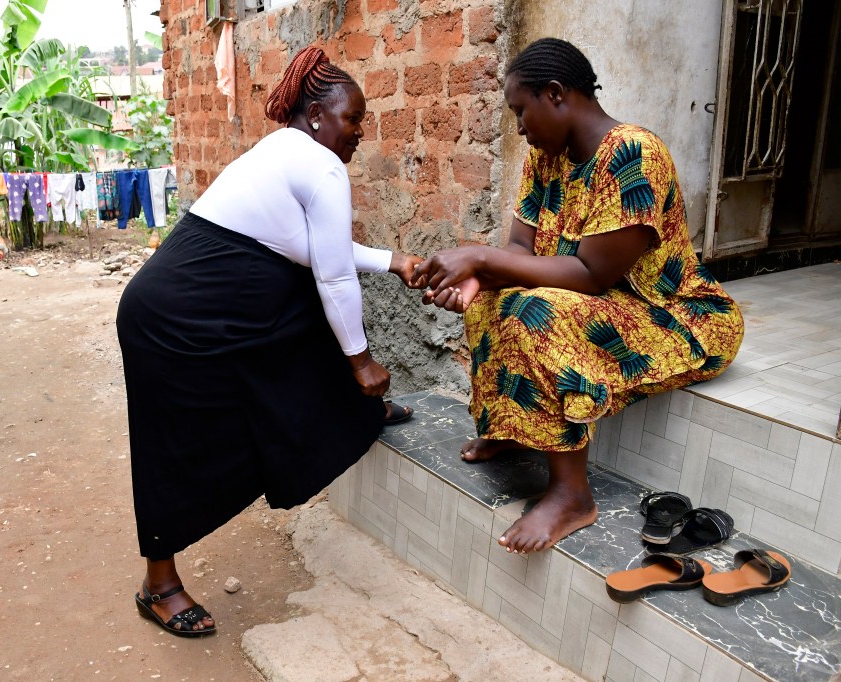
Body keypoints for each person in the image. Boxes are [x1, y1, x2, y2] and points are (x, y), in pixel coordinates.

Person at [116, 46, 423, 637]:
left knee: (300, 313)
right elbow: (333, 276)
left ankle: (360, 410)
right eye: (353, 119)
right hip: (171, 321)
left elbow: (316, 252)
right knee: (174, 445)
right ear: (317, 116)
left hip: (181, 307)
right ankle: (158, 583)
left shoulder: (285, 150)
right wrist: (362, 363)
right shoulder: (322, 165)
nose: (360, 132)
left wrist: (394, 261)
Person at [413, 37, 744, 556]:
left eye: (520, 112)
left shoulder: (634, 155)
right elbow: (519, 249)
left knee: (537, 313)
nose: (519, 128)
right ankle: (512, 426)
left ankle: (572, 494)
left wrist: (479, 258)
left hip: (677, 317)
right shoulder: (545, 160)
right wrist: (481, 277)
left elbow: (592, 274)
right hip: (602, 304)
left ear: (555, 94)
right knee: (492, 302)